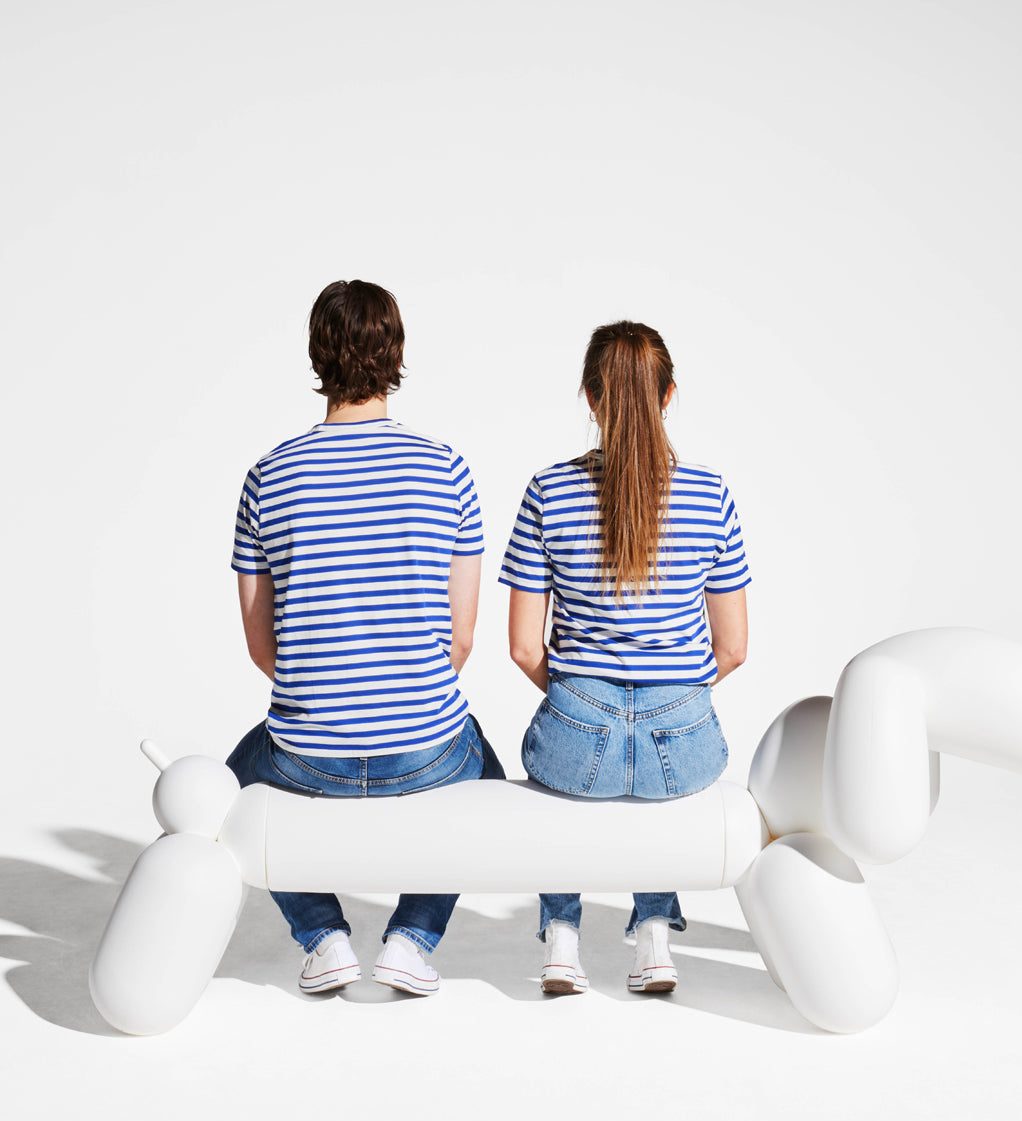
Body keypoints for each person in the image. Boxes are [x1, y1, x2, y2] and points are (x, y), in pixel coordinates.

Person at [226, 279, 504, 998]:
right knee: (490, 779)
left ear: (317, 353)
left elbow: (261, 646)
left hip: (306, 757)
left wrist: (327, 695)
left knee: (221, 793)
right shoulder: (445, 468)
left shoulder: (268, 476)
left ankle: (323, 938)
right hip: (426, 751)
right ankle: (412, 939)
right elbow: (461, 639)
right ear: (397, 353)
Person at [499, 320, 750, 995]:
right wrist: (673, 694)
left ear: (590, 396)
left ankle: (562, 942)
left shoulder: (548, 491)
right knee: (655, 800)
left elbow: (523, 646)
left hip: (576, 726)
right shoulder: (710, 494)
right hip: (684, 736)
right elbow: (733, 648)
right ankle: (655, 942)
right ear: (668, 395)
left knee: (559, 798)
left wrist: (581, 699)